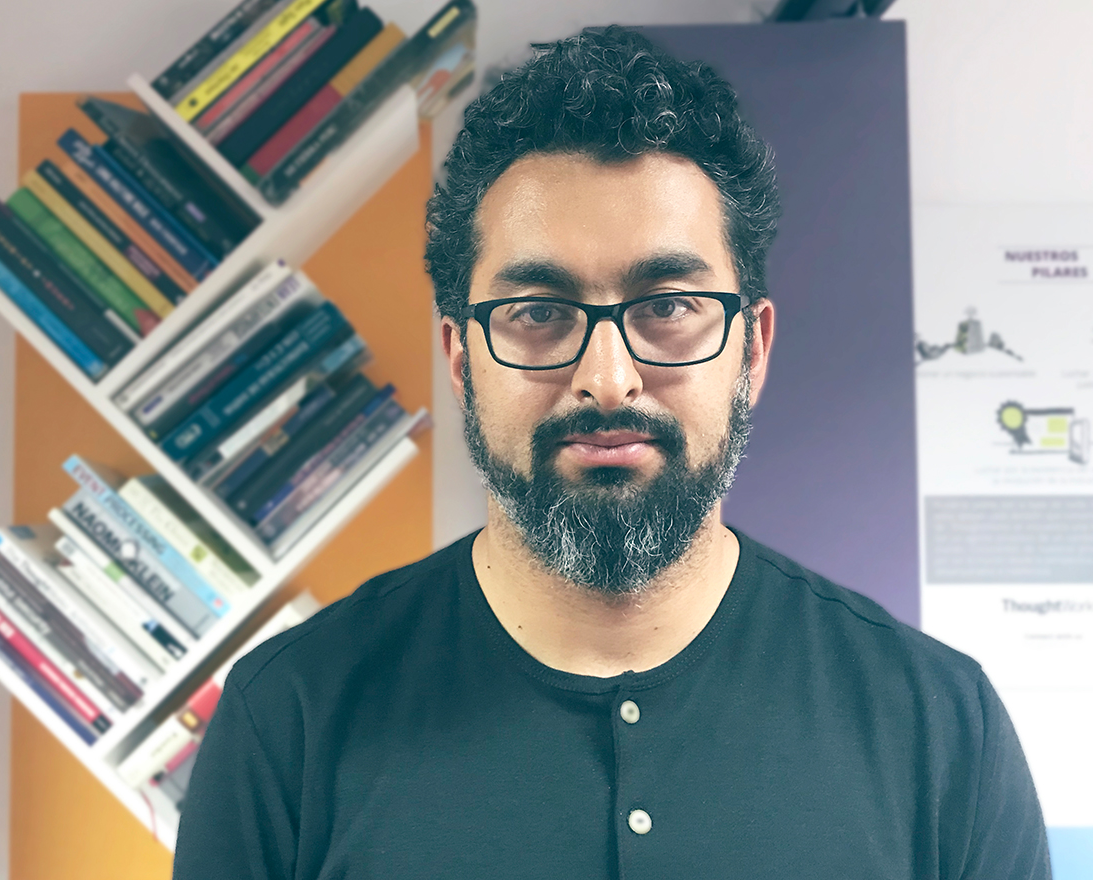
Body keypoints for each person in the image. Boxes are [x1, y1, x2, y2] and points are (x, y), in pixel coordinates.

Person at [173, 26, 1050, 879]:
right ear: (460, 357)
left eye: (667, 306)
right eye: (538, 311)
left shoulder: (938, 725)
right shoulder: (286, 719)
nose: (607, 378)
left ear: (752, 350)